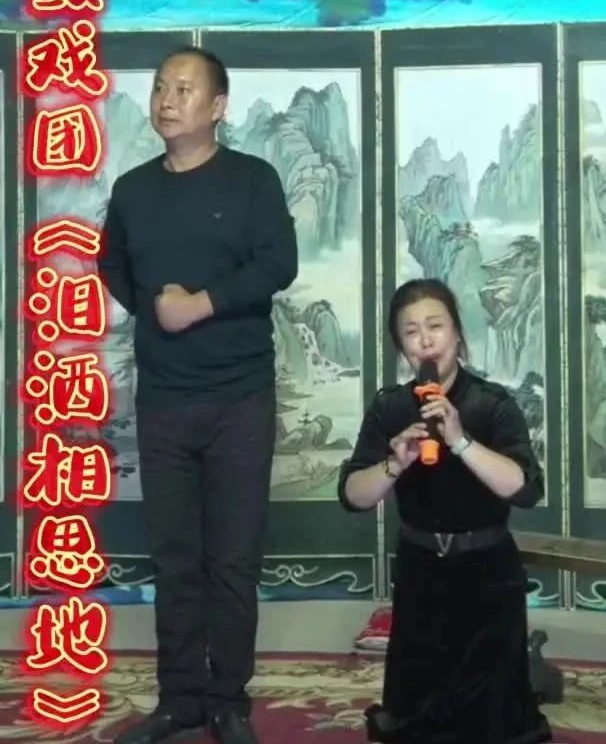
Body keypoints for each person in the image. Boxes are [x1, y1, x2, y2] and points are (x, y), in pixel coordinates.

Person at [97, 47, 298, 744]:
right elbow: (111, 262)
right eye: (160, 87)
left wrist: (201, 304)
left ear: (217, 107)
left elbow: (279, 262)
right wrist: (157, 312)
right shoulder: (133, 190)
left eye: (184, 89)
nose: (167, 99)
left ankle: (227, 700)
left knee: (233, 559)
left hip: (240, 395)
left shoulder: (253, 179)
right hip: (164, 399)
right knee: (175, 556)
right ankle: (179, 697)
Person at [338, 278, 552, 744]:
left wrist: (459, 440)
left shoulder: (492, 403)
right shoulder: (391, 406)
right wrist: (396, 463)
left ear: (457, 333)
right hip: (421, 572)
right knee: (419, 721)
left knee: (491, 724)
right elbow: (354, 496)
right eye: (411, 331)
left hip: (488, 573)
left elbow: (525, 490)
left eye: (435, 326)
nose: (425, 340)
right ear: (402, 346)